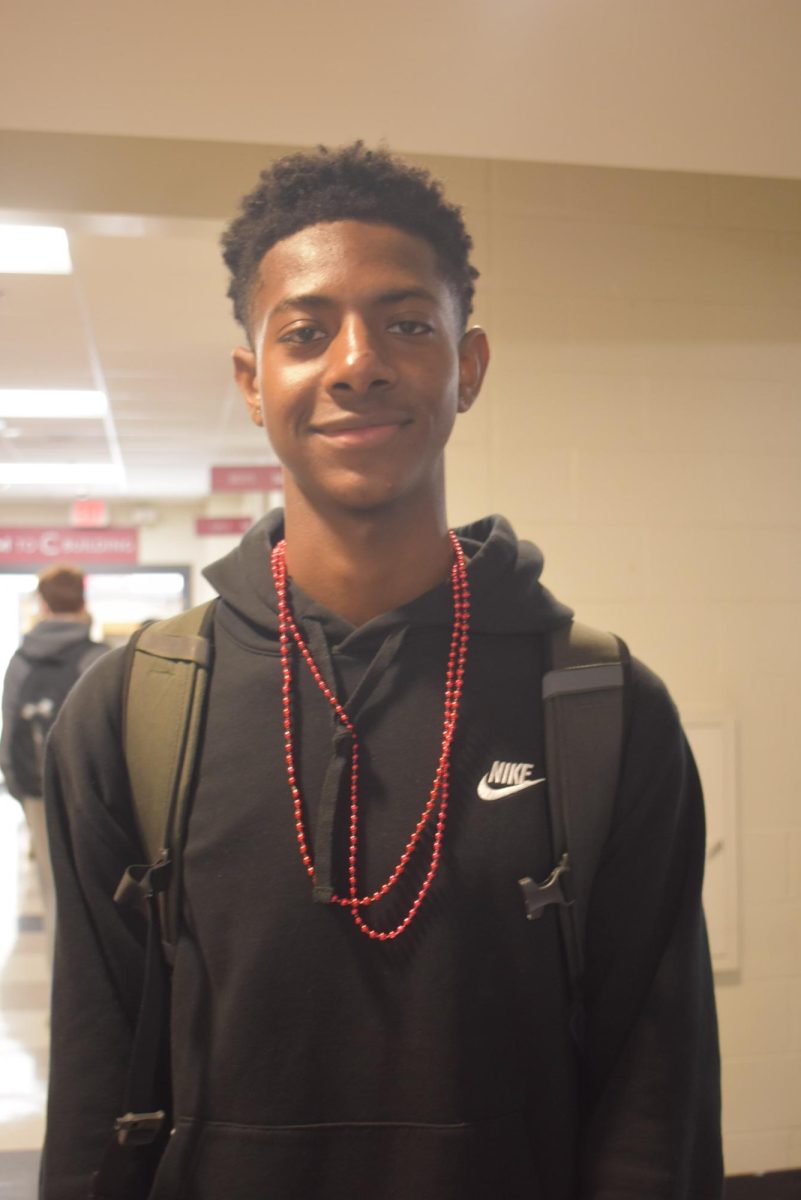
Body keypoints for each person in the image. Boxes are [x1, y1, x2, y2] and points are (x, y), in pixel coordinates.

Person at [41, 144, 723, 1199]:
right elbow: (93, 1099)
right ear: (252, 383)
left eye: (408, 323)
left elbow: (655, 1102)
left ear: (470, 366)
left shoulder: (602, 709)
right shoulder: (127, 712)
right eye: (306, 333)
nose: (357, 361)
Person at [0, 564, 108, 967]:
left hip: (37, 791)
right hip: (89, 793)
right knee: (94, 888)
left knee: (53, 889)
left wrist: (18, 785)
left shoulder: (21, 660)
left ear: (42, 604)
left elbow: (9, 726)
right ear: (83, 600)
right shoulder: (99, 658)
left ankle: (60, 994)